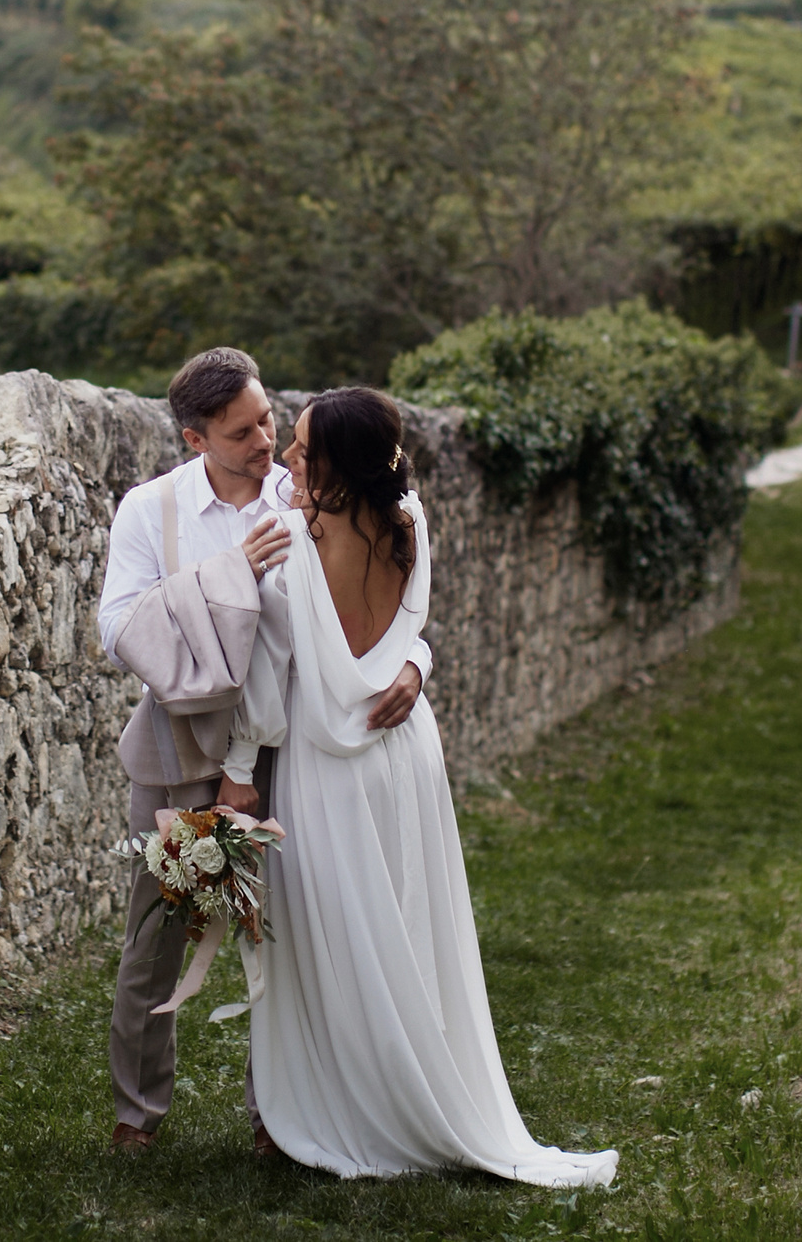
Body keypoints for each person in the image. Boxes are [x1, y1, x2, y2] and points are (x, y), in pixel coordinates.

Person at [239, 387, 617, 1187]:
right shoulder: (409, 516)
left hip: (327, 760)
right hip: (404, 743)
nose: (290, 458)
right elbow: (412, 629)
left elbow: (269, 680)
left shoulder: (292, 542)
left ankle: (363, 1107)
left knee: (336, 938)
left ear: (340, 461)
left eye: (305, 448)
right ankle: (416, 1087)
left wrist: (239, 767)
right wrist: (419, 664)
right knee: (407, 927)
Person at [99, 349, 430, 1153]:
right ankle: (136, 1114)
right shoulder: (151, 510)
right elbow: (118, 629)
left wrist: (421, 663)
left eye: (268, 422)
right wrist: (228, 573)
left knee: (289, 938)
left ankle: (276, 1114)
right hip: (181, 753)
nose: (265, 442)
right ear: (193, 437)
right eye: (242, 431)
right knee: (155, 937)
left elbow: (378, 604)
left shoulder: (315, 492)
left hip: (285, 752)